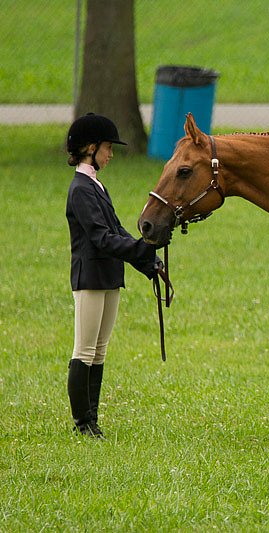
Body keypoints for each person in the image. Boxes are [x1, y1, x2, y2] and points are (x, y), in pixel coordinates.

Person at [65, 113, 162, 438]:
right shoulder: (80, 189)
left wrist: (148, 262)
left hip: (108, 276)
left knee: (100, 349)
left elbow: (115, 229)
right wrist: (140, 250)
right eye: (107, 147)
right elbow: (100, 238)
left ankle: (92, 419)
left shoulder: (95, 185)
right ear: (91, 148)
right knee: (85, 349)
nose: (111, 154)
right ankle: (83, 424)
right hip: (90, 277)